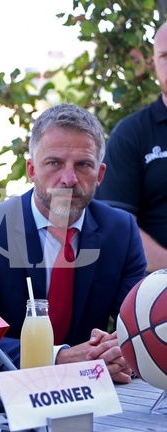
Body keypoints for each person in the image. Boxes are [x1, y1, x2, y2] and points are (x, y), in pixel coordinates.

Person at [0, 103, 146, 383]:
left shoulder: (121, 230)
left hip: (102, 392)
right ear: (31, 169)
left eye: (83, 165)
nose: (68, 179)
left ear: (100, 174)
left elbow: (140, 329)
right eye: (54, 163)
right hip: (5, 401)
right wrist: (60, 359)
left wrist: (117, 354)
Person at [96, 22, 167, 272]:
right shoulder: (131, 134)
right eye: (164, 56)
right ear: (153, 62)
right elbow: (119, 229)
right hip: (157, 293)